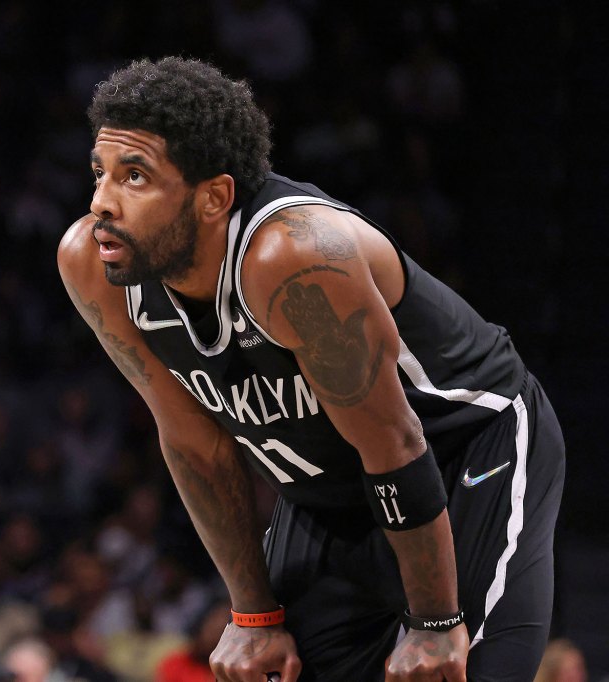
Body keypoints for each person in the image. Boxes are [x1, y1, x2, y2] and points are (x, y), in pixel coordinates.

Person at [57, 56, 565, 681]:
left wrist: (433, 622)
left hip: (464, 446)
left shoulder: (291, 256)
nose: (101, 201)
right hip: (331, 483)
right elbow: (194, 443)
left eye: (135, 177)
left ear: (214, 196)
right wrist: (252, 615)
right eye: (99, 173)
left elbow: (396, 440)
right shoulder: (93, 263)